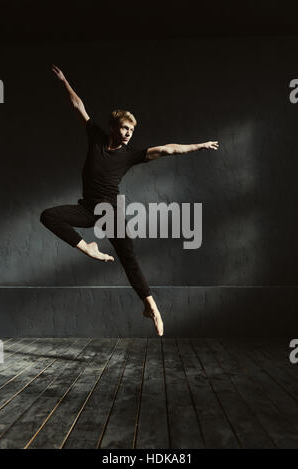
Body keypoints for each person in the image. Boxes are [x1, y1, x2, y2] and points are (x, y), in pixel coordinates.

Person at [40, 64, 219, 337]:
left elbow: (168, 149)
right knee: (49, 216)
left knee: (129, 260)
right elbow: (78, 107)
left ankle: (151, 308)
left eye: (131, 131)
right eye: (124, 128)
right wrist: (64, 81)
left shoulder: (131, 154)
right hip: (87, 209)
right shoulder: (97, 138)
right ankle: (86, 247)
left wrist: (199, 145)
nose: (128, 134)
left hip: (110, 213)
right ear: (113, 127)